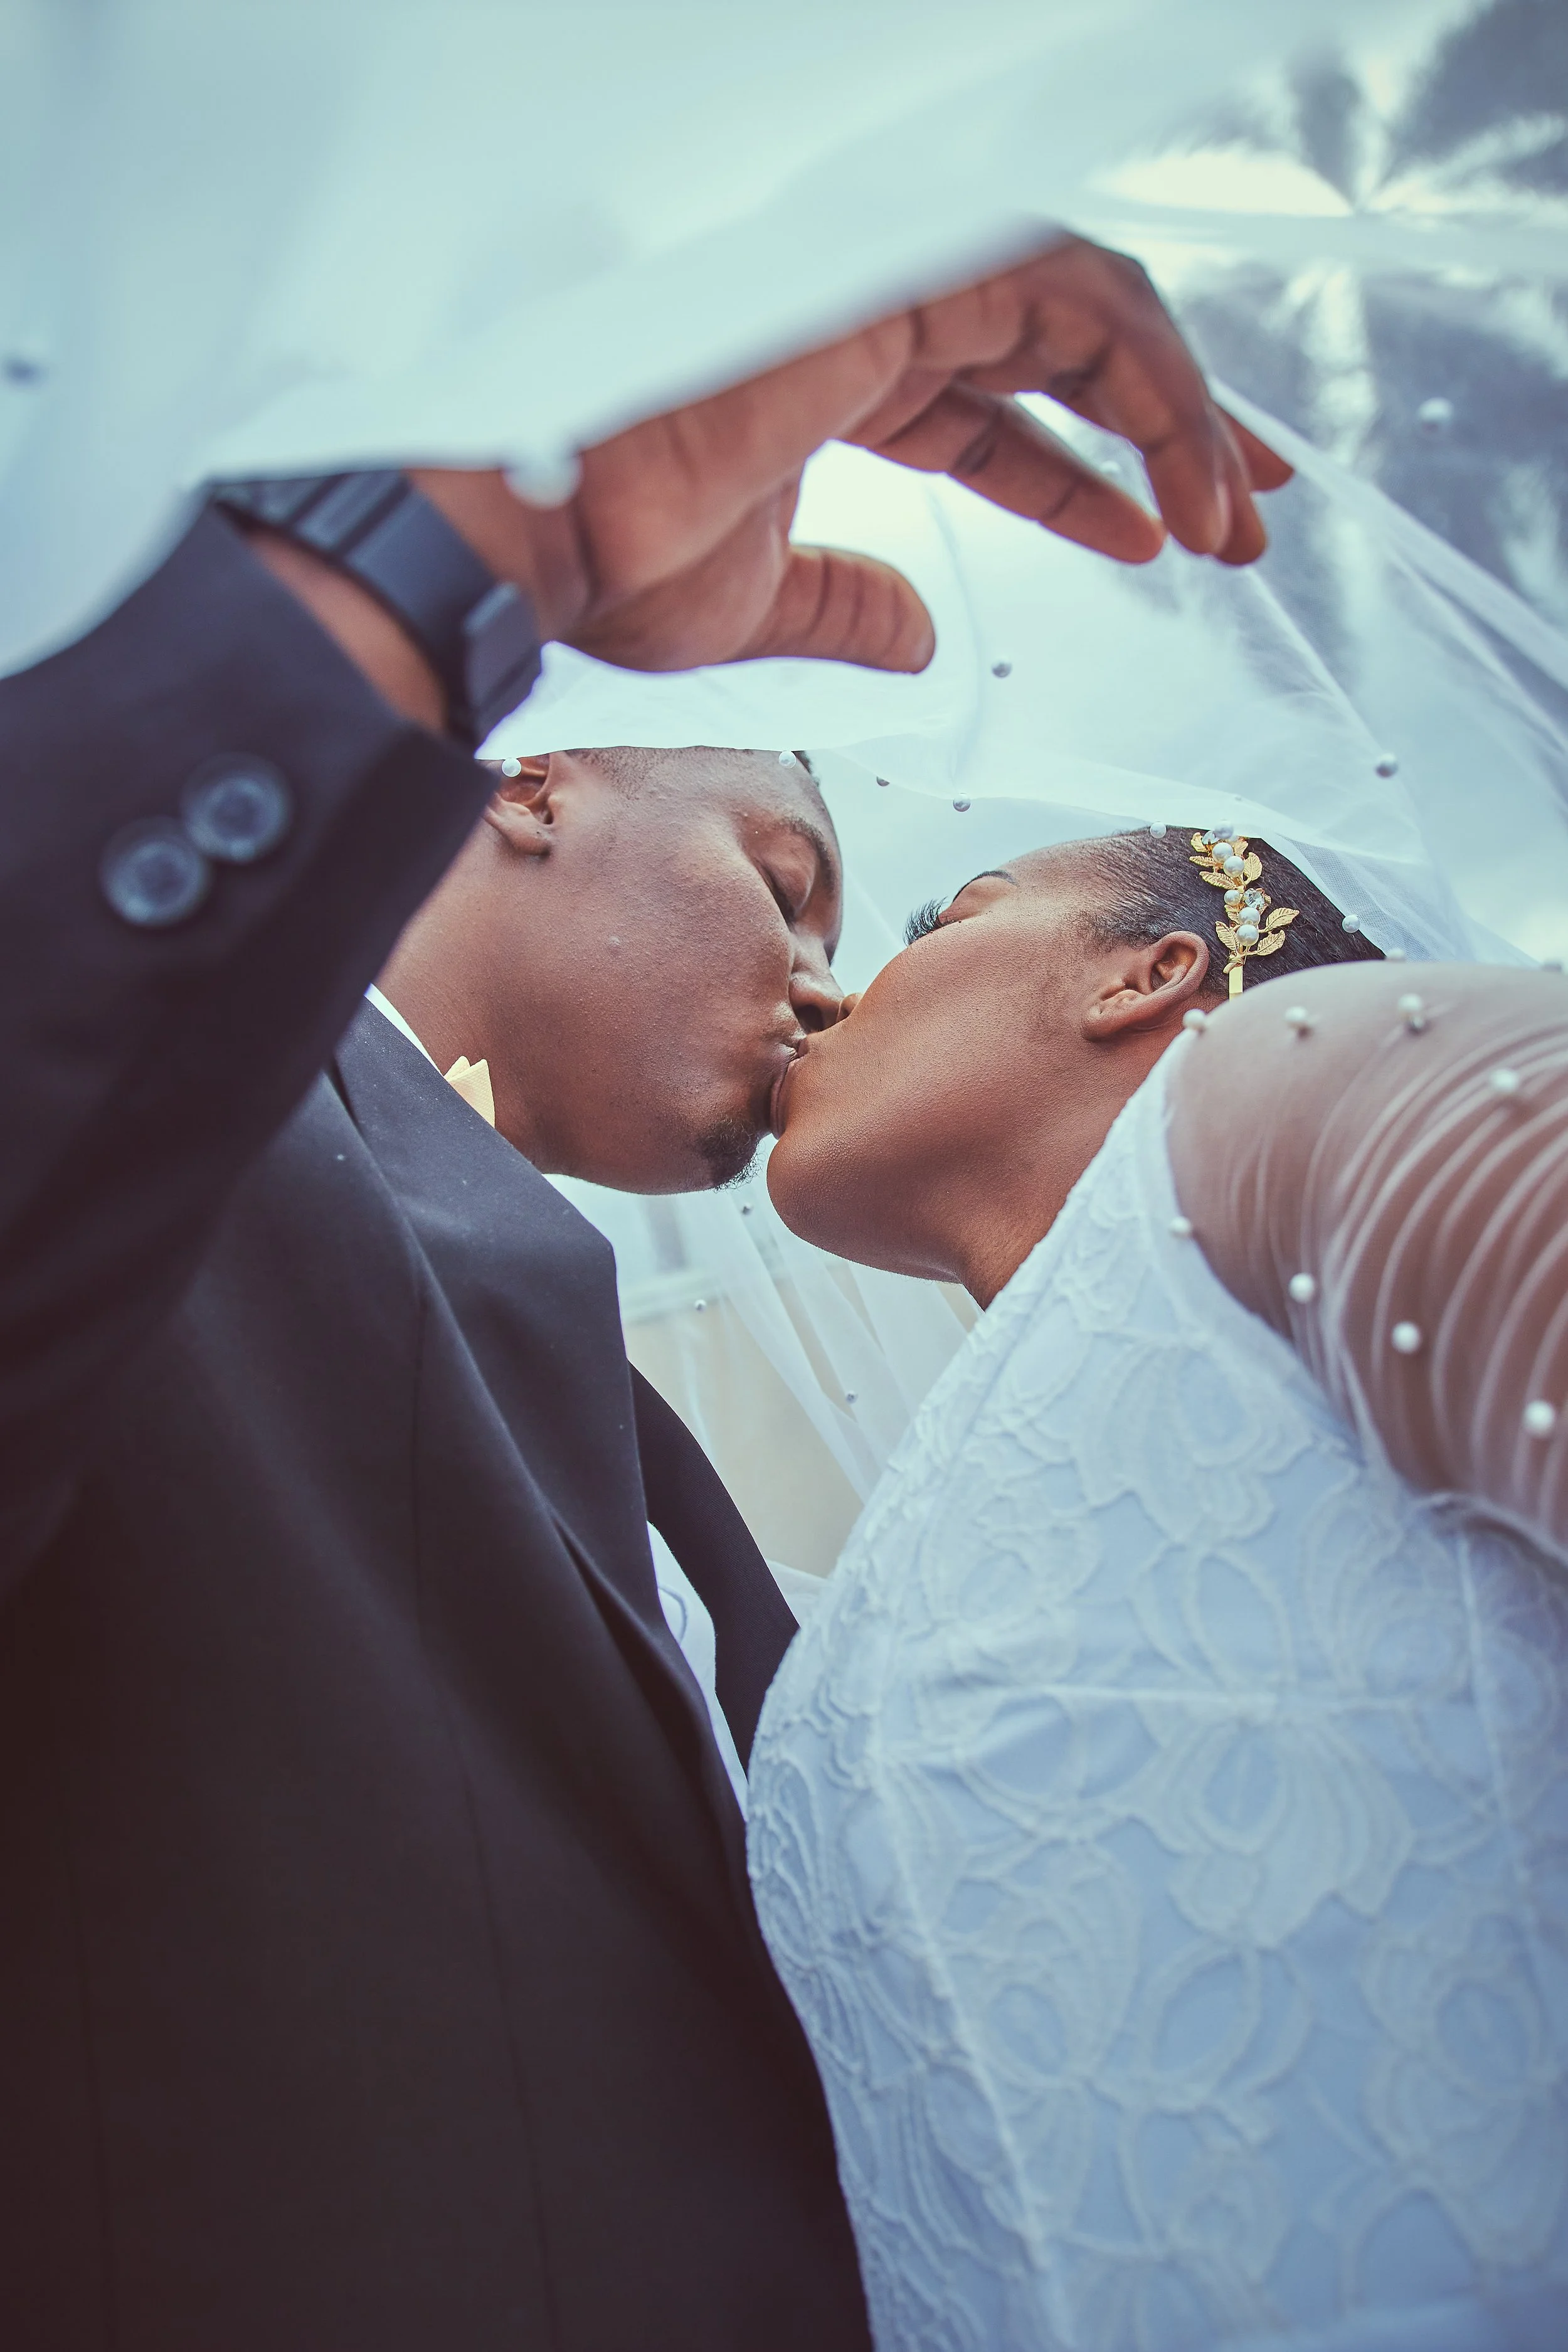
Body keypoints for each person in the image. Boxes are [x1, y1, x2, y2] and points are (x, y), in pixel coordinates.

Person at [0, 234, 1290, 2347]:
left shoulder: (605, 1378)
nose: (823, 978)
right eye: (785, 878)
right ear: (531, 783)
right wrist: (448, 570)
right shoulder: (174, 1117)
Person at [750, 825, 1568, 2351]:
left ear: (1150, 972)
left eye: (944, 913)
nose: (824, 997)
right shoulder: (930, 1510)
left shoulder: (1292, 1083)